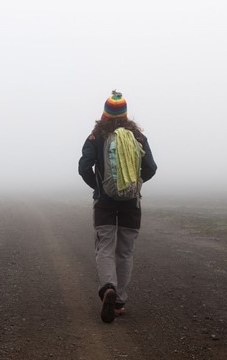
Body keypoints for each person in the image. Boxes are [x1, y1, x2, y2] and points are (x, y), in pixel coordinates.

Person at [78, 90, 157, 323]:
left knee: (105, 248)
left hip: (104, 202)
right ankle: (119, 301)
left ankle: (108, 288)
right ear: (125, 114)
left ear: (104, 114)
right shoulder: (138, 137)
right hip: (131, 203)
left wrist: (99, 187)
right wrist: (134, 184)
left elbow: (84, 167)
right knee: (124, 251)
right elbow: (151, 168)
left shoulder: (95, 137)